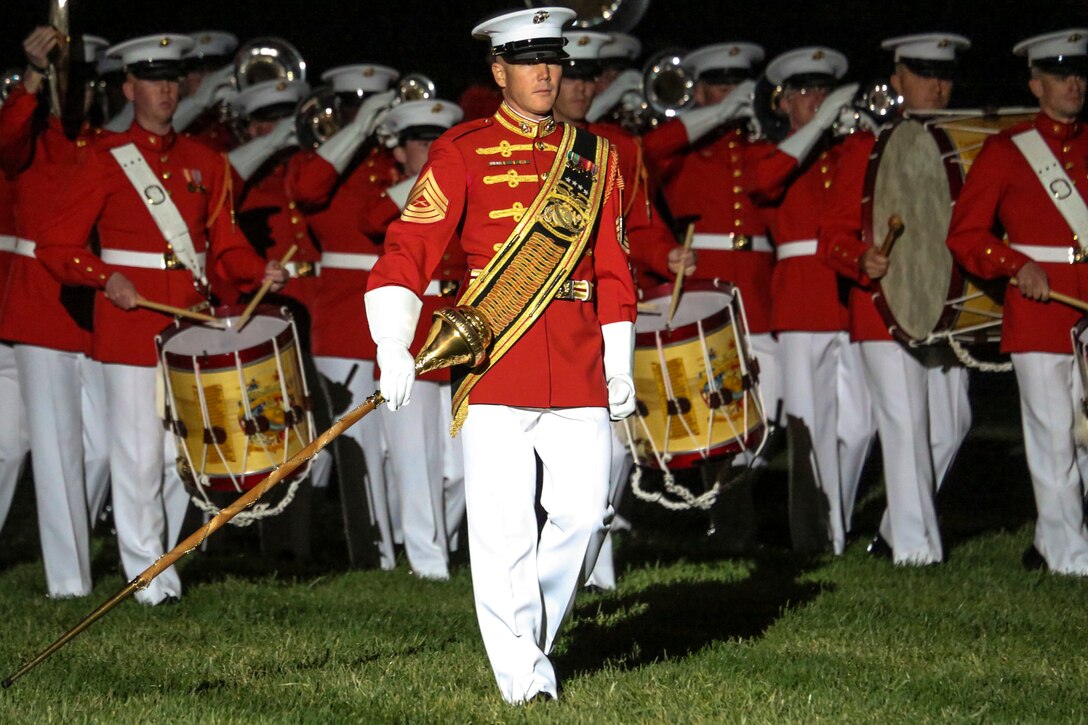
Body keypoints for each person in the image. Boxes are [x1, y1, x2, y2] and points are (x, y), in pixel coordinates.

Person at [364, 6, 637, 703]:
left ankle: (529, 636)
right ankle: (524, 679)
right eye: (529, 61)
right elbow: (410, 246)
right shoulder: (463, 149)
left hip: (576, 356)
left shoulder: (596, 155)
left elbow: (613, 263)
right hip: (495, 360)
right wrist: (393, 337)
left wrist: (619, 354)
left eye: (554, 59)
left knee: (582, 513)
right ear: (500, 70)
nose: (546, 72)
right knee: (504, 528)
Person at [35, 34, 287, 605]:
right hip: (129, 326)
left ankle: (162, 561)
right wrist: (105, 278)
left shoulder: (206, 162)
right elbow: (54, 246)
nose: (166, 89)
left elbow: (225, 248)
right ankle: (150, 579)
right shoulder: (105, 157)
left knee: (188, 456)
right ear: (130, 88)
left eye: (173, 78)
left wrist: (259, 271)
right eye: (153, 79)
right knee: (137, 456)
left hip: (189, 327)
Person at [819, 33, 972, 565]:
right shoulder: (868, 145)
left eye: (945, 74)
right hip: (883, 307)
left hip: (945, 306)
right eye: (924, 72)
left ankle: (889, 531)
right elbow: (832, 234)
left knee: (953, 426)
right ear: (899, 78)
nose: (937, 84)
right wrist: (860, 258)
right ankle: (916, 550)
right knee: (905, 422)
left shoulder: (962, 139)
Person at [945, 29, 1088, 575]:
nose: (1074, 83)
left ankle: (1057, 540)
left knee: (1086, 437)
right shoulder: (1009, 150)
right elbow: (965, 235)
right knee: (1053, 437)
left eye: (1078, 73)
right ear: (1036, 85)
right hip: (1039, 311)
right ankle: (1069, 558)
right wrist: (1014, 265)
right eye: (1059, 75)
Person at [550, 28, 690, 588]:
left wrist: (668, 253)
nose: (583, 88)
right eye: (572, 76)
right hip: (540, 310)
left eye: (590, 76)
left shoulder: (619, 148)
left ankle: (595, 573)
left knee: (608, 449)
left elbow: (641, 228)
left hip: (602, 307)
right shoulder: (521, 143)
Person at [747, 47, 874, 554]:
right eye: (804, 92)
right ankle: (817, 539)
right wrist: (820, 123)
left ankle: (831, 521)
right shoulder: (773, 152)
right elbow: (763, 182)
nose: (816, 99)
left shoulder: (845, 148)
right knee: (809, 427)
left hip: (852, 296)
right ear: (783, 102)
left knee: (861, 426)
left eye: (822, 91)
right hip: (801, 300)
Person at [0, 27, 112, 598]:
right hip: (41, 310)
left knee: (100, 448)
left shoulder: (103, 146)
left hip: (99, 312)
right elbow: (7, 140)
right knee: (51, 448)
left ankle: (71, 551)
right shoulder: (31, 138)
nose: (76, 94)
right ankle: (69, 583)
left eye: (83, 84)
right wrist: (34, 74)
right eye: (65, 82)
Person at [286, 66, 401, 570]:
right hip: (342, 315)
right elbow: (307, 191)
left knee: (400, 448)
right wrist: (357, 129)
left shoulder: (396, 158)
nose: (363, 112)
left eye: (372, 103)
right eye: (353, 103)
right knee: (348, 442)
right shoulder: (330, 159)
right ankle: (367, 555)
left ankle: (398, 546)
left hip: (400, 308)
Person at [365, 98, 467, 580]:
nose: (429, 148)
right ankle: (428, 566)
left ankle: (438, 544)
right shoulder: (392, 192)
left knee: (460, 469)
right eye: (420, 142)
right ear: (399, 151)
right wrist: (442, 173)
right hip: (415, 330)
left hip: (461, 327)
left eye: (438, 141)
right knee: (414, 461)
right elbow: (370, 221)